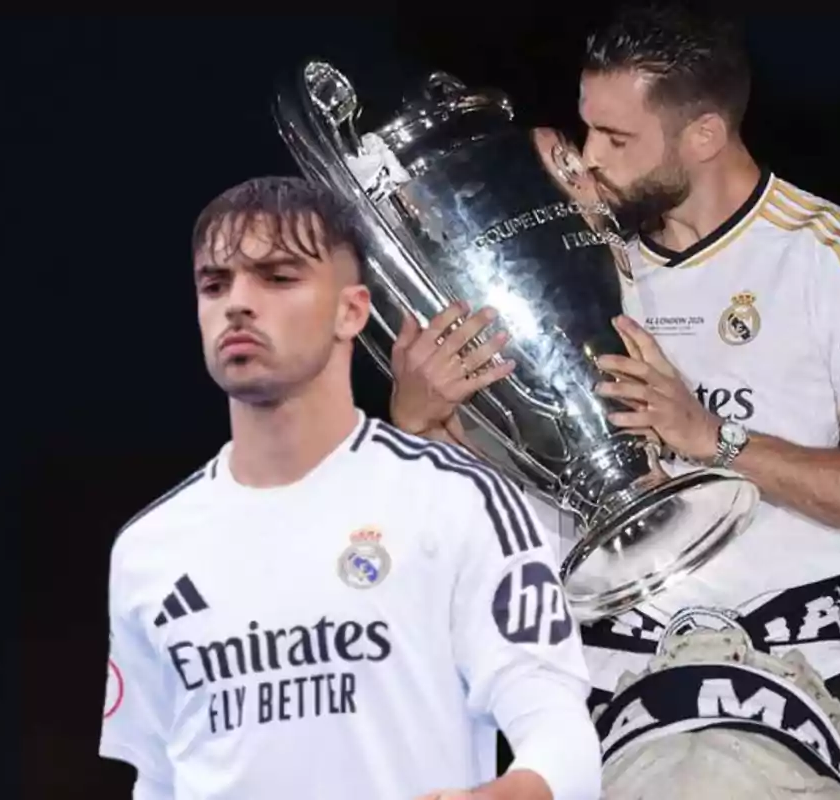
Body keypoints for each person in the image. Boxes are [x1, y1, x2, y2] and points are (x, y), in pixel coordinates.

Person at [388, 3, 840, 797]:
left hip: (774, 681)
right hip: (586, 702)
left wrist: (710, 436)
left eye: (617, 141)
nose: (586, 160)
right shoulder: (570, 252)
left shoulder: (834, 261)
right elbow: (481, 492)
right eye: (587, 130)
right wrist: (418, 422)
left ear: (704, 135)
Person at [98, 176, 602, 800]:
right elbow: (156, 780)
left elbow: (558, 730)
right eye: (214, 284)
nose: (238, 303)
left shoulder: (455, 500)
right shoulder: (148, 549)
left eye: (278, 278)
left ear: (352, 311)